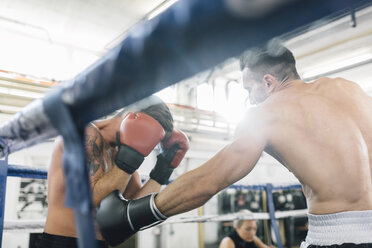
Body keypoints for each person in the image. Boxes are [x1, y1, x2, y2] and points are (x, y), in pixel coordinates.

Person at [96, 44, 372, 248]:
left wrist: (132, 216)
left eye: (249, 90)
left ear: (268, 82)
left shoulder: (265, 114)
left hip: (337, 237)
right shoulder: (350, 89)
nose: (250, 100)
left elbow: (208, 182)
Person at [38, 97, 189, 248]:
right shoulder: (84, 134)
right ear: (130, 117)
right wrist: (129, 160)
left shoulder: (120, 154)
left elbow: (134, 209)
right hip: (62, 242)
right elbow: (95, 201)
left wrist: (162, 171)